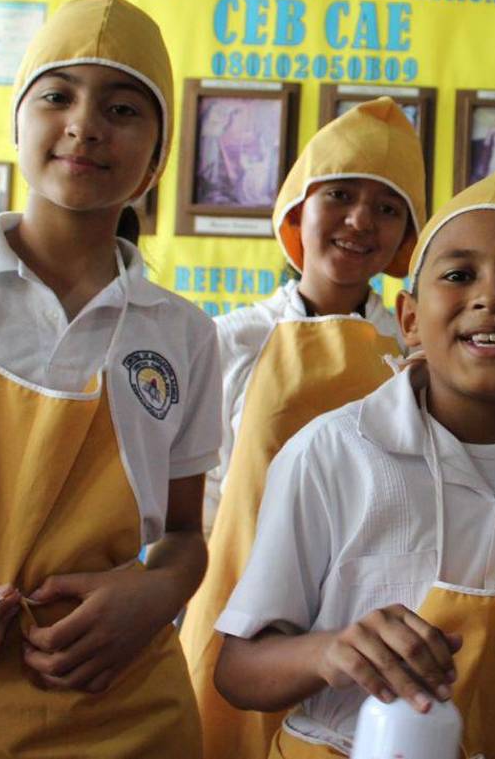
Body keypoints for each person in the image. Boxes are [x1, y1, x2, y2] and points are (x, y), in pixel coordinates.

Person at [0, 0, 220, 756]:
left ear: (158, 158)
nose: (85, 124)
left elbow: (187, 535)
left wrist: (156, 594)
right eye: (57, 95)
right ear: (18, 122)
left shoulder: (181, 332)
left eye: (124, 109)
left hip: (122, 711)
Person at [212, 167, 495, 759]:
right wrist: (330, 649)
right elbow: (237, 671)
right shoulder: (334, 453)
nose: (492, 297)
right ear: (409, 318)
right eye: (460, 275)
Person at [181, 97, 427, 759]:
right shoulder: (229, 342)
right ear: (296, 210)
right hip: (230, 611)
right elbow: (198, 493)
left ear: (406, 232)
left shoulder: (415, 356)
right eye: (340, 195)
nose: (359, 221)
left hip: (362, 628)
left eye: (386, 206)